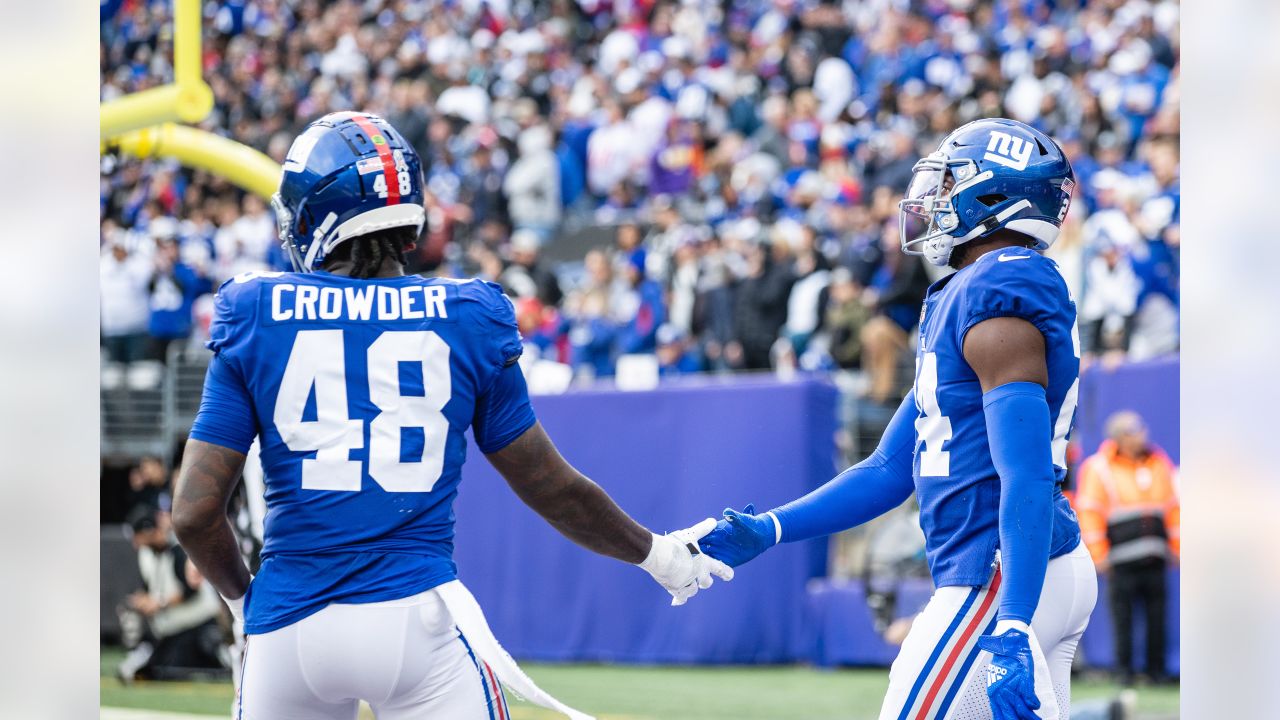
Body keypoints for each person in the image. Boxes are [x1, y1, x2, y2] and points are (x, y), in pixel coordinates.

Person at [170, 112, 730, 720]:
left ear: (313, 216)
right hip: (416, 618)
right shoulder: (468, 315)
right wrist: (658, 555)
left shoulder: (256, 311)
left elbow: (196, 514)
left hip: (289, 621)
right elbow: (553, 487)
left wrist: (243, 602)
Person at [697, 119, 1096, 720]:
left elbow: (1026, 476)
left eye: (950, 181)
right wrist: (772, 530)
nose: (933, 198)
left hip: (998, 575)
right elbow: (889, 466)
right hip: (1030, 567)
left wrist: (1011, 621)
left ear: (994, 196)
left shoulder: (998, 289)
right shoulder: (965, 293)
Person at [1075, 411, 1179, 685]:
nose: (1142, 435)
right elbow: (1090, 513)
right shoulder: (1099, 468)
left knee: (1158, 617)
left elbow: (1173, 508)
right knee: (1124, 617)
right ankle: (1125, 672)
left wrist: (1177, 548)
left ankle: (1157, 671)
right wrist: (1099, 555)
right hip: (1120, 559)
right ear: (1119, 437)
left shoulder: (1158, 462)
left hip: (1155, 556)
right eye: (1134, 431)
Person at [117, 504, 226, 683]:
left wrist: (158, 603)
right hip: (171, 627)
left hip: (197, 622)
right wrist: (142, 601)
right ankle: (137, 653)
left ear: (149, 531)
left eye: (138, 537)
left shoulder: (179, 550)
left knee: (176, 668)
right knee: (156, 669)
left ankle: (221, 655)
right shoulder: (147, 555)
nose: (136, 544)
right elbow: (149, 586)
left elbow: (191, 590)